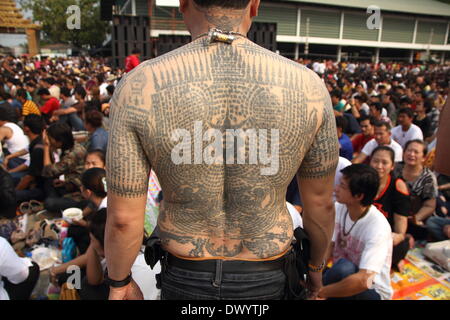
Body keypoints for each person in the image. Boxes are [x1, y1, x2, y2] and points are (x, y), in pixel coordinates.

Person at [105, 0, 339, 301]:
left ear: (183, 3)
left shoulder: (139, 86)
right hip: (267, 272)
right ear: (254, 5)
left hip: (186, 273)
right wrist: (316, 268)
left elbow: (123, 217)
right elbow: (321, 203)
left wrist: (119, 281)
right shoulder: (309, 87)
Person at [318, 164, 393, 300]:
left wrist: (322, 292)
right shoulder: (339, 207)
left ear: (358, 195)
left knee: (344, 268)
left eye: (342, 186)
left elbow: (365, 280)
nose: (336, 189)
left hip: (371, 289)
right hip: (344, 275)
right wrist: (316, 275)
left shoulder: (378, 227)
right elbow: (329, 245)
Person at [369, 146, 411, 271]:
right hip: (363, 233)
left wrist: (397, 237)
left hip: (384, 236)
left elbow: (400, 229)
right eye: (375, 161)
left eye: (384, 162)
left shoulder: (398, 186)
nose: (379, 166)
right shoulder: (363, 181)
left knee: (401, 245)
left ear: (392, 166)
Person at [394, 140, 438, 240]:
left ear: (423, 157)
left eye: (416, 152)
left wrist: (416, 218)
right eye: (409, 151)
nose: (411, 154)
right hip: (393, 215)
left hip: (413, 221)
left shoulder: (428, 178)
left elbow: (429, 205)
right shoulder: (395, 168)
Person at [42, 123, 87, 214]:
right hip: (72, 184)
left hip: (80, 194)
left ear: (60, 141)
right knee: (49, 183)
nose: (49, 141)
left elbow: (48, 171)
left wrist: (46, 147)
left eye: (50, 139)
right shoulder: (72, 146)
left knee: (49, 203)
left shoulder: (72, 154)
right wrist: (65, 183)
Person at [15, 115, 46, 203]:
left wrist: (14, 192)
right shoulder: (37, 142)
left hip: (41, 189)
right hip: (35, 182)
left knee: (6, 195)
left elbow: (29, 177)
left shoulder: (38, 148)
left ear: (27, 129)